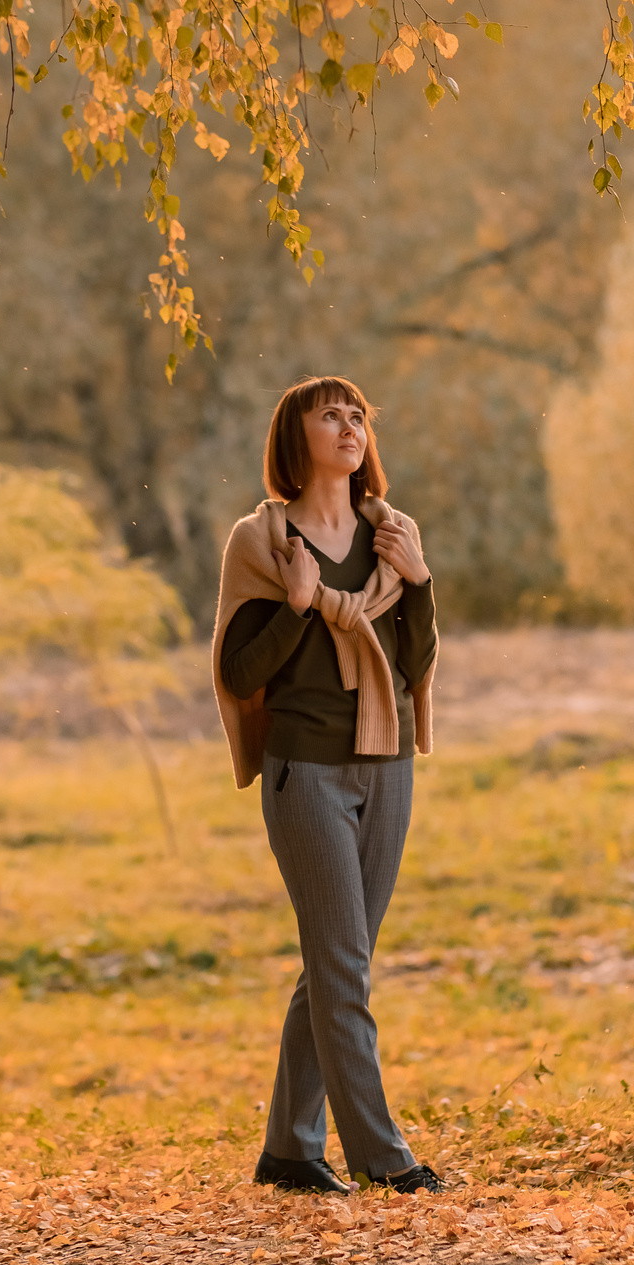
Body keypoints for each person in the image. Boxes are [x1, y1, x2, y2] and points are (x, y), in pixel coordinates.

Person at [210, 375, 446, 1195]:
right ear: (295, 437)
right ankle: (386, 1160)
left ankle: (287, 1149)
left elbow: (412, 670)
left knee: (335, 965)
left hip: (386, 770)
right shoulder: (264, 543)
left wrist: (417, 586)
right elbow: (239, 672)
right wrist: (298, 608)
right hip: (305, 772)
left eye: (358, 417)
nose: (349, 428)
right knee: (344, 969)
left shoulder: (393, 538)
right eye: (330, 416)